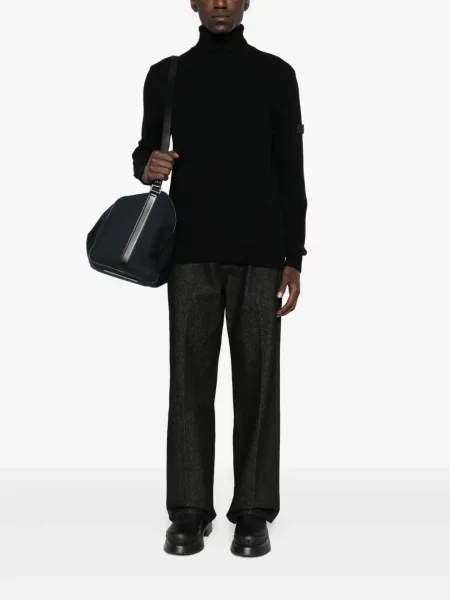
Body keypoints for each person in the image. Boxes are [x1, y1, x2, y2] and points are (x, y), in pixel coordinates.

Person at [132, 0, 308, 557]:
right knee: (189, 384)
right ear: (193, 1)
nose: (220, 3)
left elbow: (291, 168)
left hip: (261, 253)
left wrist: (294, 256)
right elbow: (144, 150)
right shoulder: (167, 75)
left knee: (258, 385)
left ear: (247, 0)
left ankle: (253, 511)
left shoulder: (276, 74)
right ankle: (188, 511)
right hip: (189, 252)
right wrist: (147, 164)